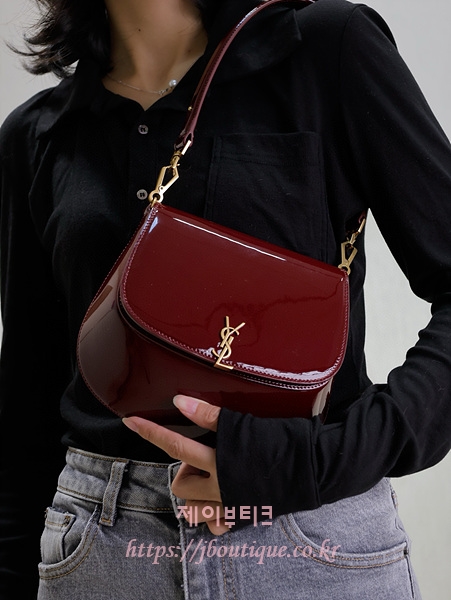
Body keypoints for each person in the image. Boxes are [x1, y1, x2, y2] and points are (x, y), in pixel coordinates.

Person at [1, 0, 451, 597]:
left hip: (313, 541)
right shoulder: (38, 133)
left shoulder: (325, 51)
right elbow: (27, 414)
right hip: (99, 548)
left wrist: (320, 460)